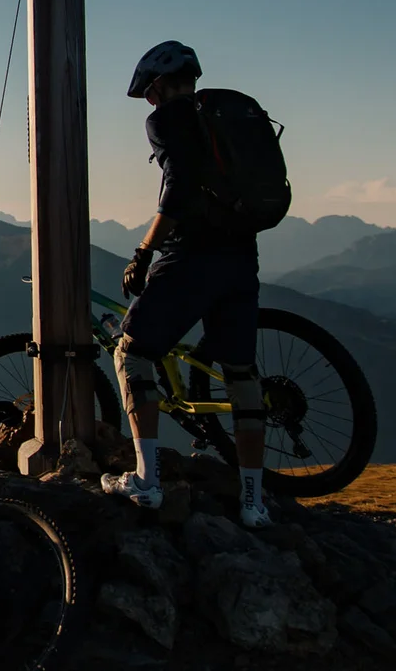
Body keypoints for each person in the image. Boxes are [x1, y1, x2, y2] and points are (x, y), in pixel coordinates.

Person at [102, 42, 272, 530]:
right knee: (241, 374)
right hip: (242, 256)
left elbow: (177, 186)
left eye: (149, 94)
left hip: (192, 257)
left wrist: (143, 251)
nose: (150, 104)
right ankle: (254, 504)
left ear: (156, 86)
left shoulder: (168, 120)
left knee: (131, 354)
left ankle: (146, 481)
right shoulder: (217, 116)